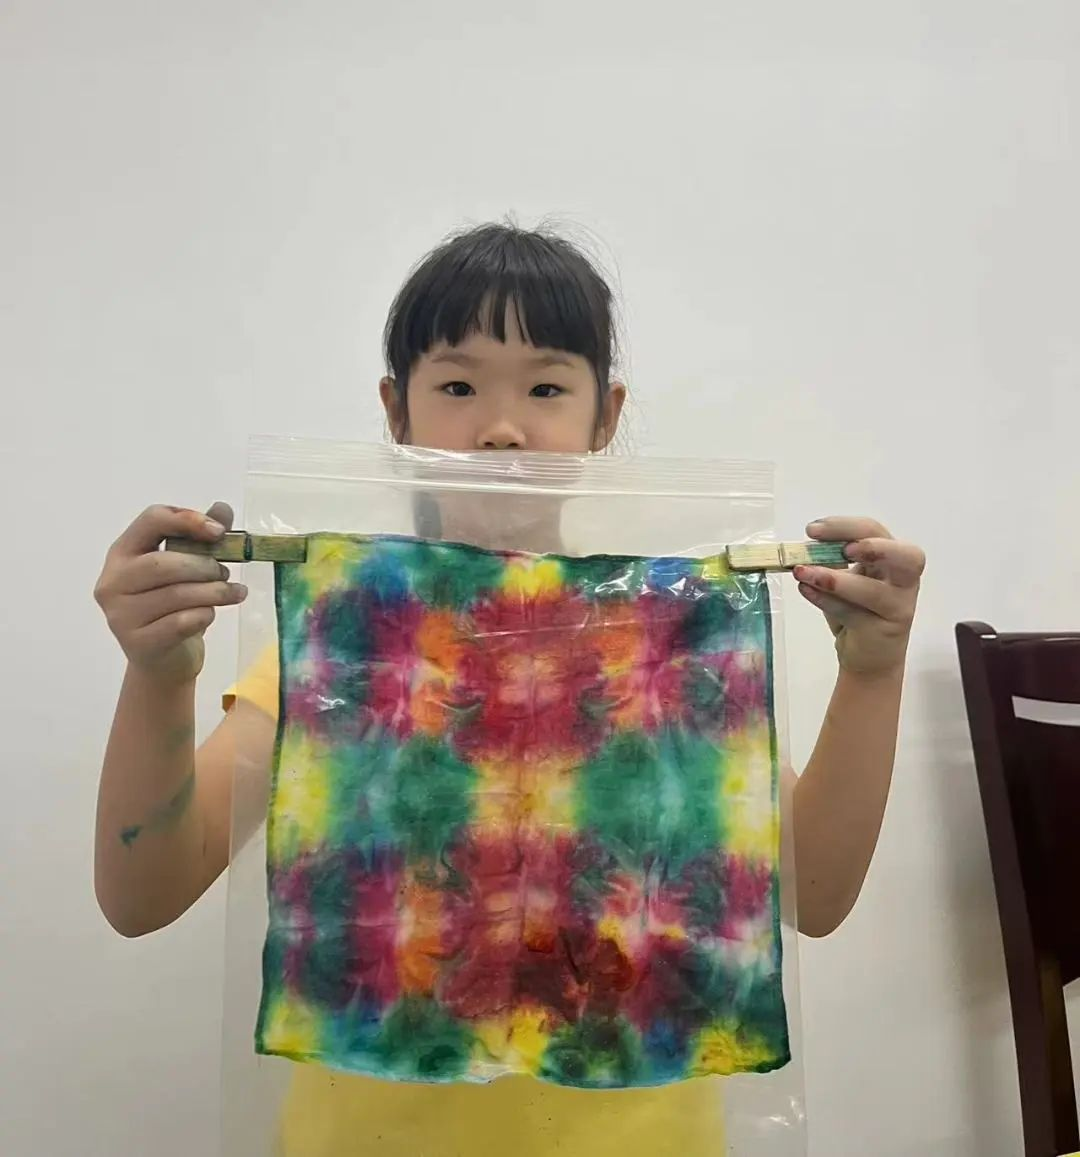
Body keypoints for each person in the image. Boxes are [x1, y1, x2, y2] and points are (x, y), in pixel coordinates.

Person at [93, 223, 925, 1156]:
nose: (501, 428)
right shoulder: (349, 650)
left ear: (604, 418)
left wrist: (873, 672)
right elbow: (142, 895)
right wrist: (158, 676)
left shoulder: (669, 650)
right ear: (396, 412)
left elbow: (815, 893)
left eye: (545, 388)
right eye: (457, 387)